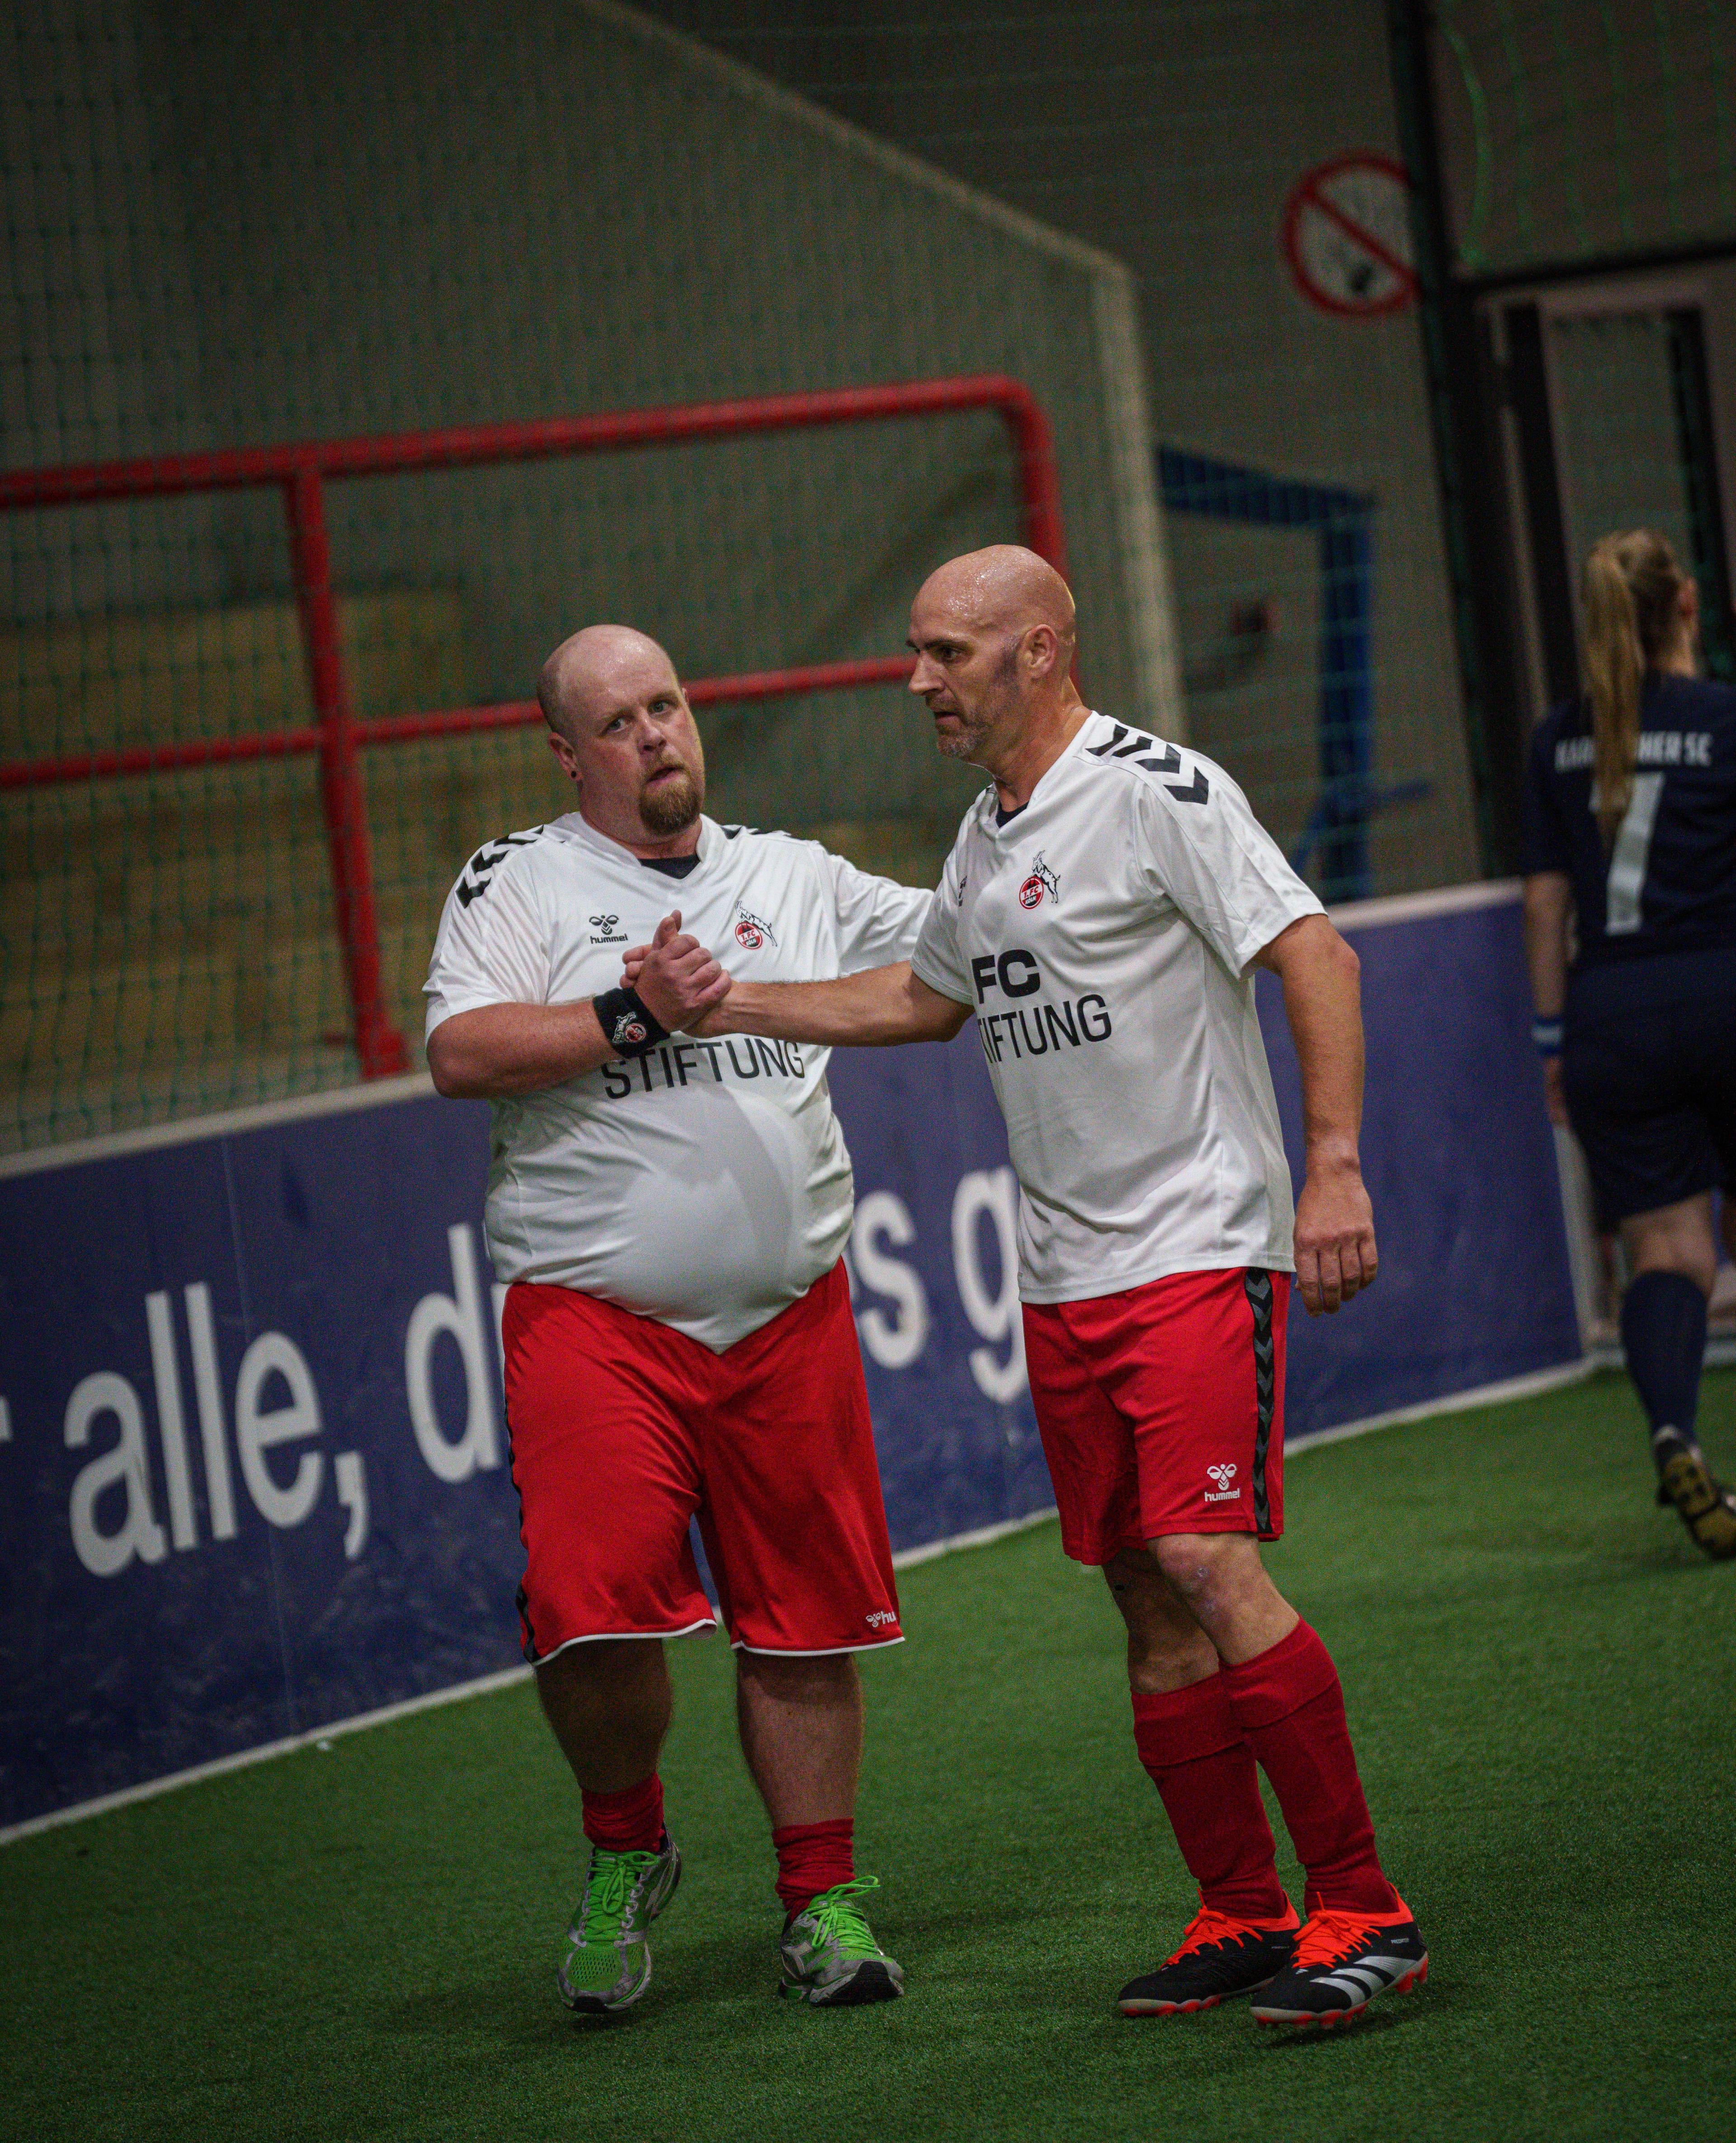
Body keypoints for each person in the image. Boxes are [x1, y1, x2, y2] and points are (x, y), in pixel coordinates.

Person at [668, 544, 1426, 2029]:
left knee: (1208, 1556)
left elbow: (1316, 951)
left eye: (947, 651)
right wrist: (732, 1002)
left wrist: (1332, 1166)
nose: (918, 679)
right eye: (916, 649)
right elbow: (921, 996)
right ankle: (1242, 1910)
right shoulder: (983, 833)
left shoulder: (1160, 790)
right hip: (1065, 1280)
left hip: (1199, 1248)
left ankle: (1368, 1904)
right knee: (1143, 1592)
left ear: (1038, 650)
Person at [423, 623, 932, 2013]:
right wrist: (631, 1009)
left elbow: (951, 951)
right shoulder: (519, 880)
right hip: (594, 1316)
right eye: (622, 720)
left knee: (805, 1625)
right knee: (589, 1616)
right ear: (569, 754)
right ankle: (625, 1846)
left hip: (789, 1309)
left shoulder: (795, 873)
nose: (657, 734)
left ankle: (821, 1901)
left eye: (669, 705)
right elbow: (461, 1049)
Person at [1521, 529, 1736, 1560]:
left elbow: (1545, 900)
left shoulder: (1559, 738)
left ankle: (1676, 1433)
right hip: (1722, 985)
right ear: (1686, 603)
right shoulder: (1724, 720)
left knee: (1668, 1251)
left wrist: (1554, 1037)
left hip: (1611, 1014)